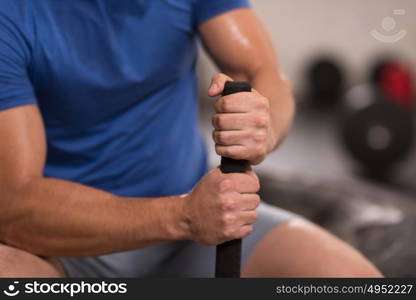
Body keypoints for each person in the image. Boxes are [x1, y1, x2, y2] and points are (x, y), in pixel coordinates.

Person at [0, 0, 381, 277]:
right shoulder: (13, 16)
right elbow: (15, 208)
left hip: (199, 234)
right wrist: (181, 216)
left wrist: (263, 125)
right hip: (68, 248)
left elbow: (264, 72)